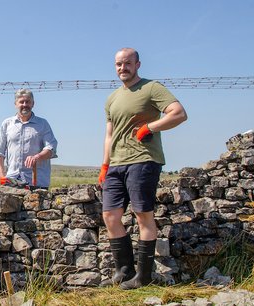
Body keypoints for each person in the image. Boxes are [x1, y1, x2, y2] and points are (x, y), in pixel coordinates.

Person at [98, 48, 187, 290]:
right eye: (118, 64)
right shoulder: (112, 98)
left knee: (143, 215)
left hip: (143, 160)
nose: (122, 68)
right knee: (110, 216)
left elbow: (178, 113)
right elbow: (109, 134)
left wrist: (150, 127)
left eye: (127, 63)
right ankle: (123, 271)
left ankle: (143, 277)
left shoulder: (151, 88)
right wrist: (105, 164)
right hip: (116, 164)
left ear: (137, 64)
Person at [0, 89, 58, 189]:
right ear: (15, 104)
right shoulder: (7, 124)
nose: (24, 104)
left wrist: (37, 157)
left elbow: (51, 149)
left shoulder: (43, 124)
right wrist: (2, 177)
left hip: (36, 183)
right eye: (21, 102)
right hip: (12, 182)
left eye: (27, 102)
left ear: (33, 104)